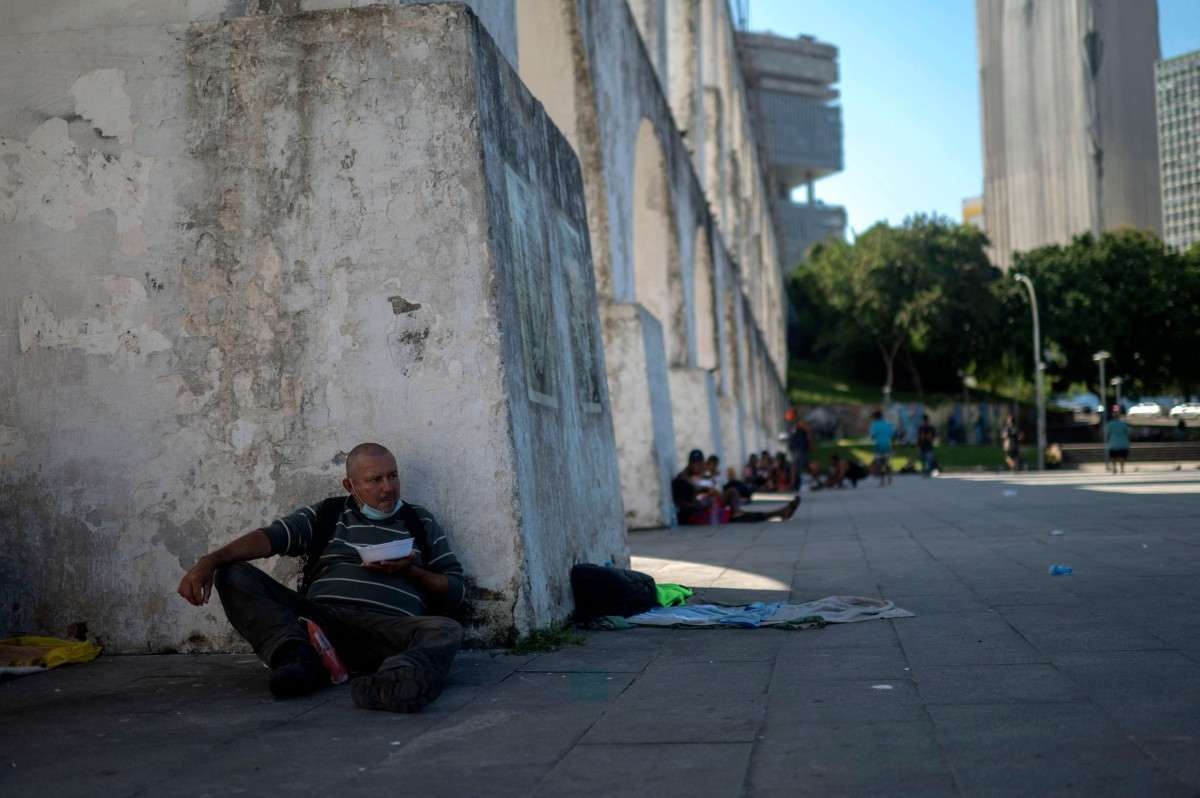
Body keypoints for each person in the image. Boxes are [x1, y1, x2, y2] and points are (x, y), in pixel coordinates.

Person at [176, 442, 465, 713]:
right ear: (350, 486)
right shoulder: (329, 515)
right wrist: (210, 561)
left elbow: (455, 588)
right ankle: (298, 659)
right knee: (233, 573)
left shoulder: (419, 521)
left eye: (393, 476)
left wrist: (411, 571)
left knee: (446, 630)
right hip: (320, 623)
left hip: (387, 628)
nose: (388, 488)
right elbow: (271, 537)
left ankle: (391, 683)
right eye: (375, 480)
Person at [673, 449, 798, 525]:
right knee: (742, 514)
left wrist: (708, 494)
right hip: (701, 515)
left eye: (700, 464)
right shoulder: (683, 480)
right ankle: (779, 513)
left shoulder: (696, 477)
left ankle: (779, 513)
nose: (699, 467)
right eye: (696, 464)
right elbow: (687, 505)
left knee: (739, 507)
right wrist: (706, 498)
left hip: (709, 509)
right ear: (690, 464)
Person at [868, 410, 894, 486]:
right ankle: (889, 476)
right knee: (886, 462)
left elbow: (872, 436)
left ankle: (882, 481)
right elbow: (891, 434)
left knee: (880, 463)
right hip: (887, 445)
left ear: (875, 417)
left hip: (879, 446)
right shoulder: (887, 424)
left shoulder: (874, 424)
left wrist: (874, 437)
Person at [788, 418, 812, 490]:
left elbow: (809, 431)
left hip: (800, 449)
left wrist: (810, 444)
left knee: (797, 466)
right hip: (796, 449)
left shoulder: (801, 425)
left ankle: (796, 483)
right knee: (796, 466)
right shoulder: (793, 427)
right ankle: (795, 483)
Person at [1106, 406, 1131, 474]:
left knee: (1113, 457)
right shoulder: (1123, 424)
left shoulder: (1110, 424)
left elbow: (1107, 433)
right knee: (1121, 456)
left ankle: (1114, 468)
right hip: (1122, 443)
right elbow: (1128, 433)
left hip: (1113, 443)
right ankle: (1122, 469)